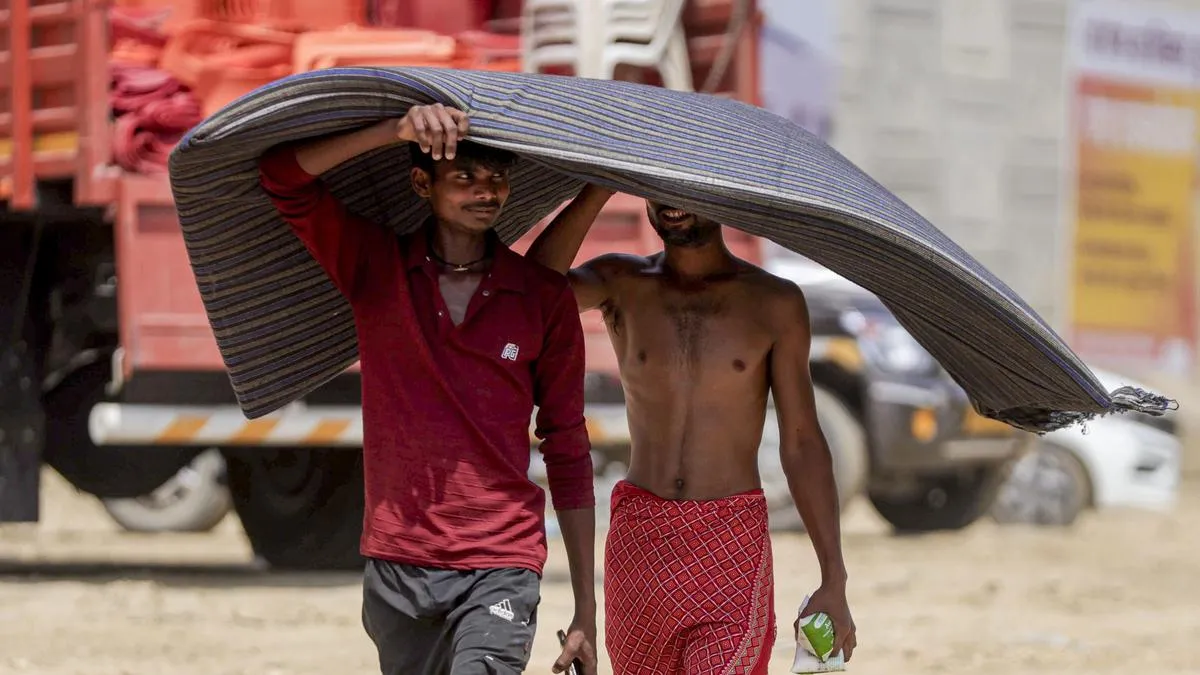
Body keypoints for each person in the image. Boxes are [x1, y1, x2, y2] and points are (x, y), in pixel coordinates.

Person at [258, 103, 599, 675]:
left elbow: (567, 444)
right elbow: (282, 176)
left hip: (502, 560)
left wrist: (587, 607)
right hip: (397, 563)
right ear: (422, 182)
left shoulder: (542, 297)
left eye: (496, 178)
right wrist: (392, 131)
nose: (484, 191)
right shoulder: (376, 270)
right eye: (464, 177)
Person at [527, 190, 858, 674]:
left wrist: (834, 576)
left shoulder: (774, 302)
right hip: (640, 540)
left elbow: (803, 442)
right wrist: (599, 184)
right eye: (657, 189)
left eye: (685, 189)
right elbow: (532, 291)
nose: (671, 202)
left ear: (718, 192)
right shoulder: (622, 283)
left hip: (730, 542)